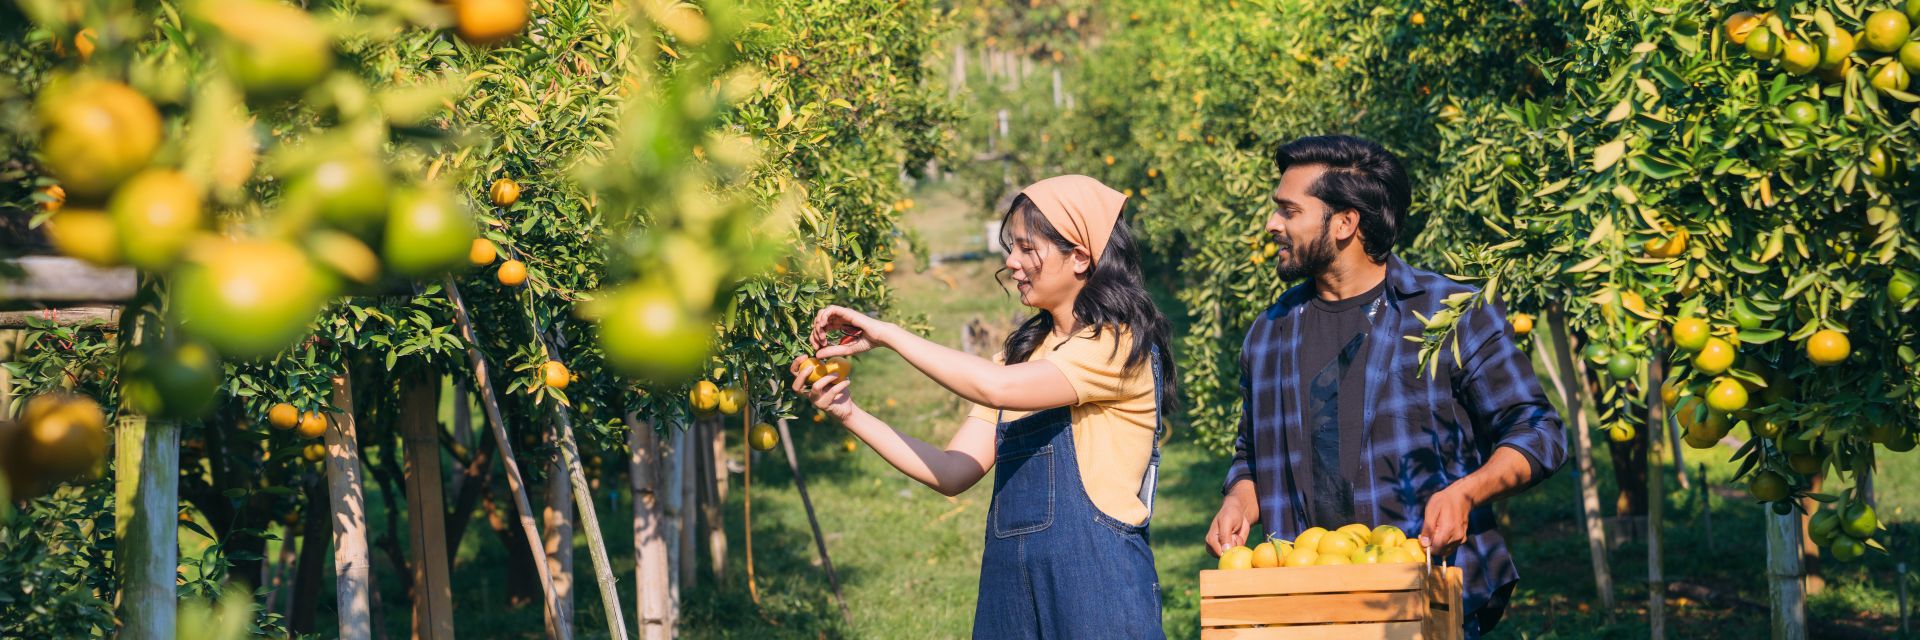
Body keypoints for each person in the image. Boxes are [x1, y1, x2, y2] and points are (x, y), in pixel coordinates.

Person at [1205, 135, 1567, 637]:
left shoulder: (1449, 313)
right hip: (1302, 607)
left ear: (1345, 223)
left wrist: (1465, 494)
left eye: (1288, 211)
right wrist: (1239, 499)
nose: (1272, 225)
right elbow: (1251, 453)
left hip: (1423, 598)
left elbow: (1538, 431)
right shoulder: (1269, 333)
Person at [793, 175, 1177, 639]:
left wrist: (889, 334)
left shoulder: (1117, 346)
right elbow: (953, 472)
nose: (1012, 262)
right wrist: (848, 413)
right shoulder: (1020, 357)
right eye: (1010, 247)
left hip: (1098, 587)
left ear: (1080, 256)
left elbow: (995, 388)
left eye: (1026, 248)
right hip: (1012, 591)